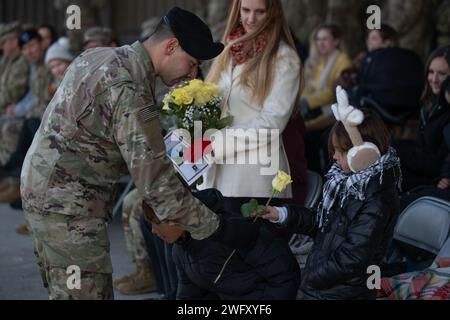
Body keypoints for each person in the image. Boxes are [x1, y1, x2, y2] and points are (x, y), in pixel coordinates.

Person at [21, 7, 259, 300]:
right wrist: (220, 228)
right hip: (66, 209)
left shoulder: (101, 57)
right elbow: (157, 184)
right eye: (192, 62)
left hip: (46, 194)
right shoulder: (127, 88)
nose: (192, 73)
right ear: (171, 47)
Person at [261, 88, 402, 299]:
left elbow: (352, 259)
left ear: (362, 154)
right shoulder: (345, 183)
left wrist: (310, 277)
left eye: (341, 151)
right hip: (324, 286)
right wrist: (282, 214)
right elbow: (322, 222)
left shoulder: (377, 200)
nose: (334, 156)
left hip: (342, 292)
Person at [200, 0, 305, 213]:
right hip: (215, 172)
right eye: (246, 10)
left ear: (273, 13)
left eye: (259, 12)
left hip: (254, 177)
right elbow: (212, 102)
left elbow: (272, 122)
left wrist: (215, 145)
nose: (250, 19)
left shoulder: (284, 57)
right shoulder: (229, 47)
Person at [143, 190, 301, 300]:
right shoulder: (181, 249)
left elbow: (285, 275)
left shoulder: (233, 231)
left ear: (177, 215)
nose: (153, 230)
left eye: (157, 223)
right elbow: (190, 296)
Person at [0, 28, 53, 207]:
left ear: (42, 44)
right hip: (37, 117)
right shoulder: (35, 67)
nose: (29, 51)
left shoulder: (50, 64)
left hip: (52, 121)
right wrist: (18, 109)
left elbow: (50, 101)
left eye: (32, 45)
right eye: (25, 49)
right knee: (22, 125)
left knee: (26, 127)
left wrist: (23, 111)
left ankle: (14, 178)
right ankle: (15, 181)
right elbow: (33, 98)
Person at [396, 45, 450, 191]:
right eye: (431, 72)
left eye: (442, 73)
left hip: (433, 180)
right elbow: (420, 147)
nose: (434, 79)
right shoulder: (429, 103)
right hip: (420, 168)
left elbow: (439, 163)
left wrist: (397, 152)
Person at [300, 24, 351, 173]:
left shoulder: (343, 61)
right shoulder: (316, 61)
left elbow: (334, 92)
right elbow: (305, 86)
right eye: (318, 39)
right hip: (311, 112)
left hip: (330, 114)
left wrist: (307, 101)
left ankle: (319, 176)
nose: (320, 43)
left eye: (325, 39)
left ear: (336, 41)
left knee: (309, 138)